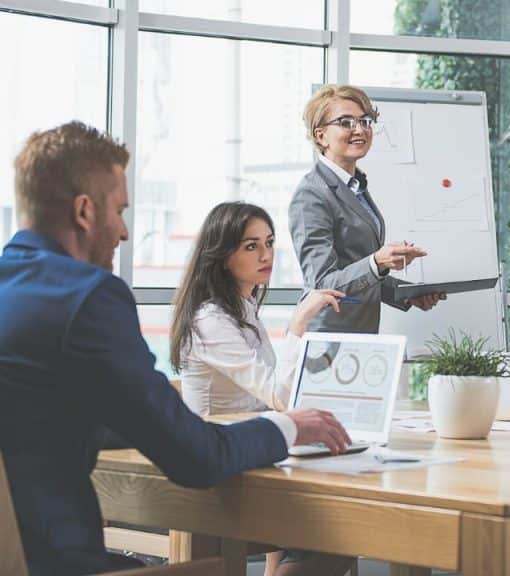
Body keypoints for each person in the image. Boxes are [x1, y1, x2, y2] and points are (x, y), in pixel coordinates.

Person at [0, 121, 350, 575]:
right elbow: (196, 460)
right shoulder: (87, 297)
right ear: (85, 211)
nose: (123, 232)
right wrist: (287, 427)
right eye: (119, 211)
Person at [290, 84, 444, 335]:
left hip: (361, 334)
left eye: (365, 121)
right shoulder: (312, 194)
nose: (360, 129)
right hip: (328, 337)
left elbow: (356, 268)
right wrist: (377, 261)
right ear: (320, 135)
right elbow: (322, 284)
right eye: (346, 122)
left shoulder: (355, 186)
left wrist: (406, 294)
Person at [171, 202, 342, 416]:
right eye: (251, 246)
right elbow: (278, 397)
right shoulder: (209, 321)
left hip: (250, 431)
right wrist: (299, 321)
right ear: (223, 257)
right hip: (216, 441)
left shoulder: (244, 307)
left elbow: (274, 393)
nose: (266, 255)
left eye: (269, 243)